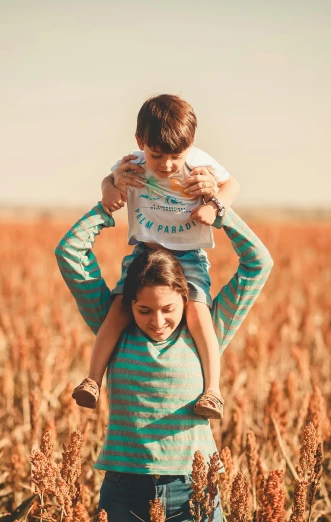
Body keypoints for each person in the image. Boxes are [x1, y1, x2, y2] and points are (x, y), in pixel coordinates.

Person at [55, 197, 272, 522]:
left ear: (186, 299)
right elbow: (69, 254)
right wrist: (106, 207)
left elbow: (259, 264)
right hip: (124, 490)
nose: (157, 321)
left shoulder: (207, 329)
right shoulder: (112, 326)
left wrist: (220, 211)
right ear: (128, 304)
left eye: (169, 309)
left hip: (193, 487)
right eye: (144, 310)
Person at [71, 94, 241, 420]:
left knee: (198, 313)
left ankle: (213, 391)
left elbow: (232, 184)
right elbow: (110, 180)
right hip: (144, 252)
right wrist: (110, 188)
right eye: (157, 154)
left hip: (189, 256)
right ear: (140, 142)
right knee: (119, 309)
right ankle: (93, 380)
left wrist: (215, 204)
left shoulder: (199, 164)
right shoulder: (133, 163)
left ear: (190, 146)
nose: (166, 165)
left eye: (176, 156)